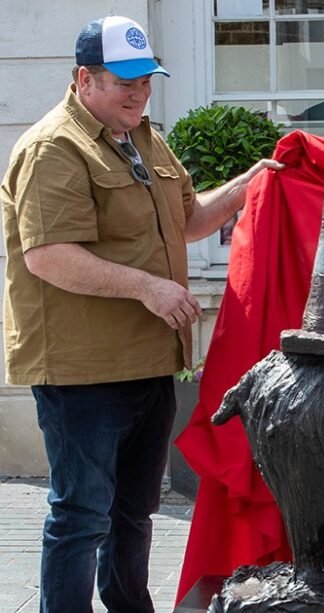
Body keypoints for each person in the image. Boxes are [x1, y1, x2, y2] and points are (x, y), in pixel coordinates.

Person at [0, 15, 283, 612]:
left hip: (147, 362)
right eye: (123, 80)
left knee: (135, 511)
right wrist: (149, 289)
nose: (138, 92)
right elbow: (48, 256)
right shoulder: (54, 148)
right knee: (81, 514)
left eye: (146, 79)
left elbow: (188, 220)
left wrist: (247, 185)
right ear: (84, 79)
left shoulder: (143, 137)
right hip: (81, 372)